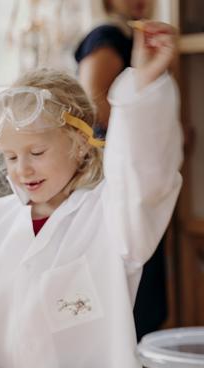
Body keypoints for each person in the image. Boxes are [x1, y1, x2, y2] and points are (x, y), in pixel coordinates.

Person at [0, 22, 181, 368]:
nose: (22, 169)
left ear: (78, 144)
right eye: (10, 156)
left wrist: (143, 88)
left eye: (37, 153)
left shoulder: (113, 216)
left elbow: (146, 175)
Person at [74, 0, 167, 341]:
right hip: (119, 170)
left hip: (137, 166)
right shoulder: (107, 37)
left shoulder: (135, 37)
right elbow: (94, 107)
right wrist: (144, 128)